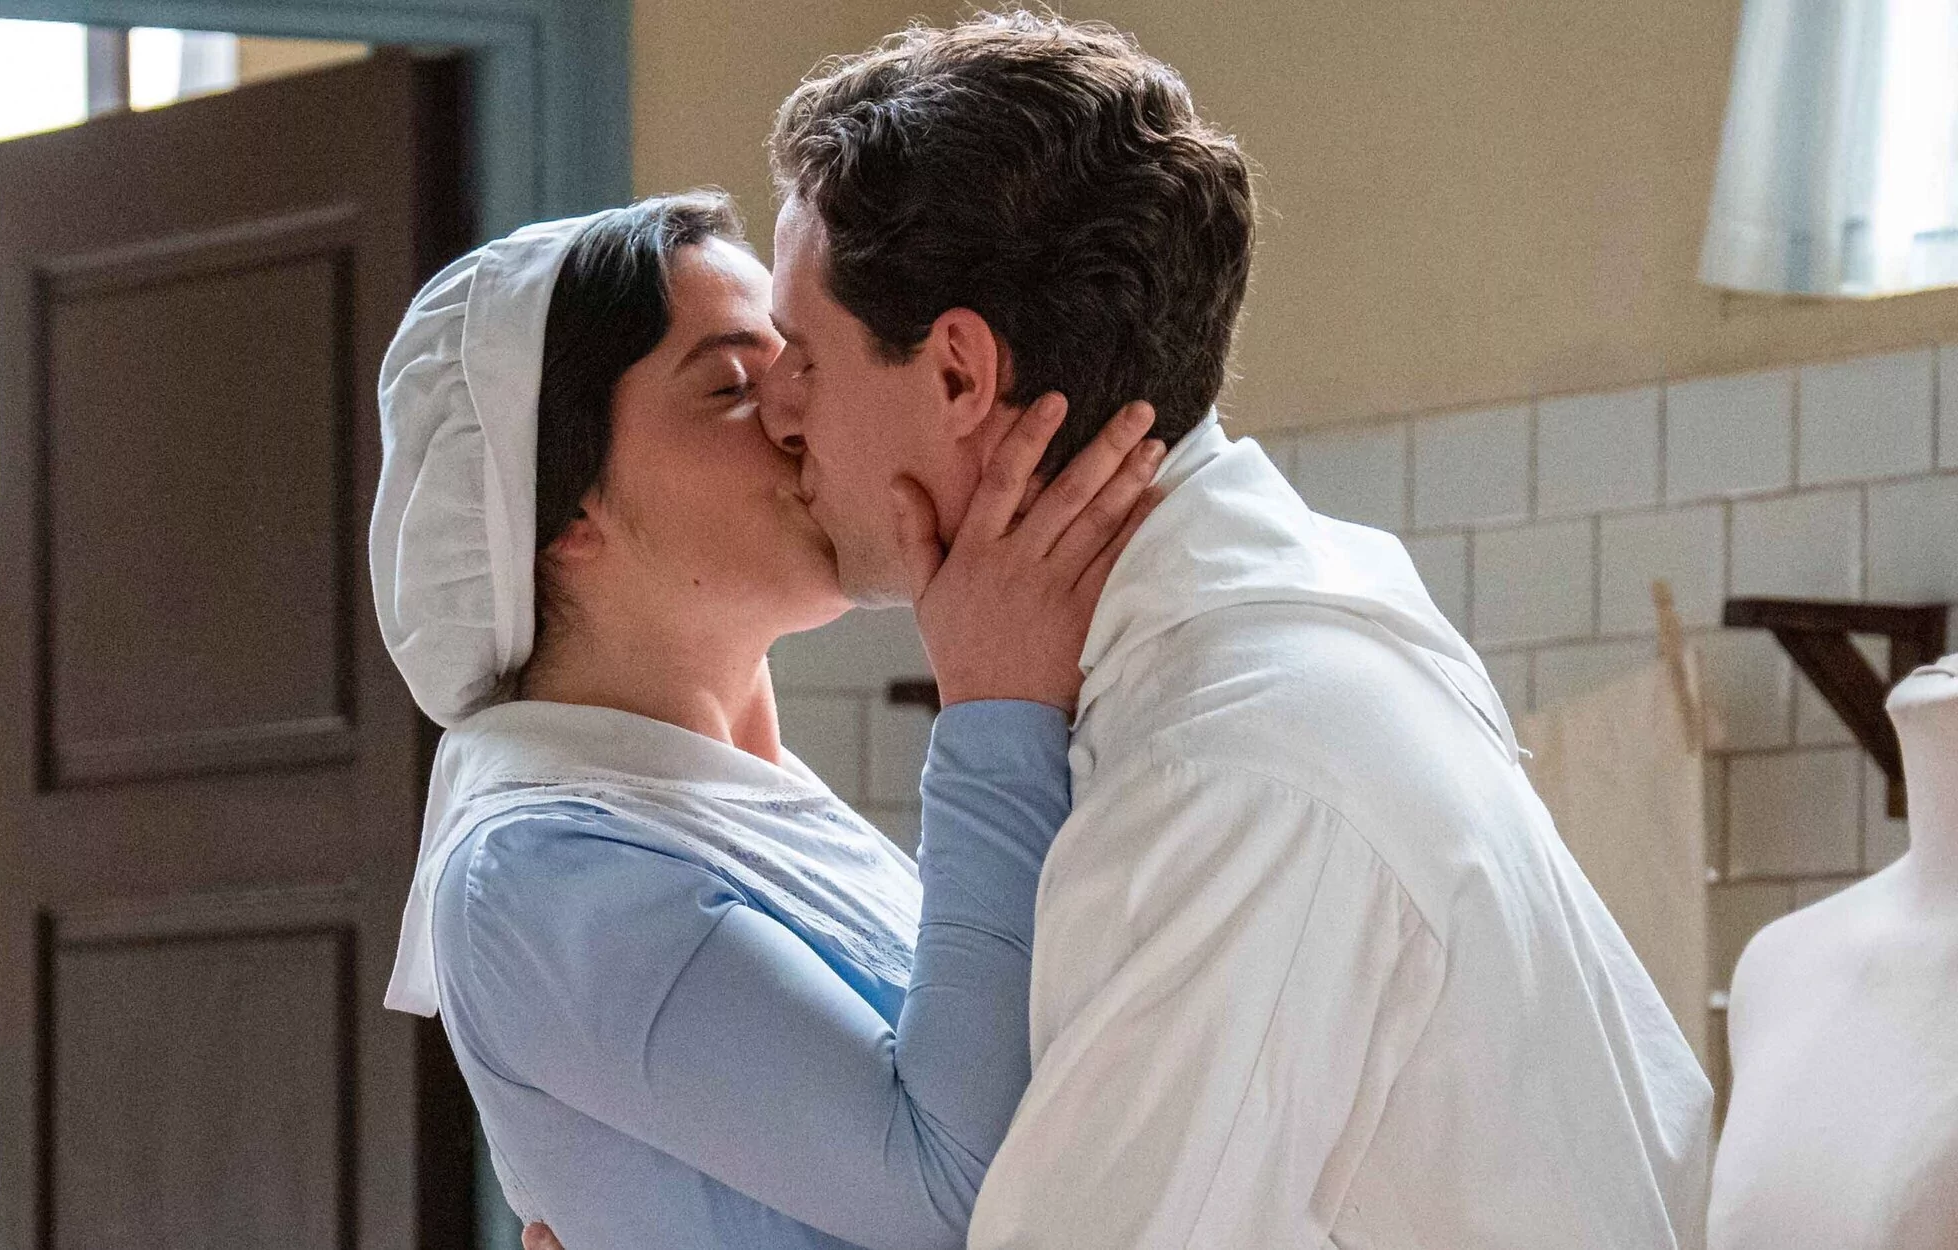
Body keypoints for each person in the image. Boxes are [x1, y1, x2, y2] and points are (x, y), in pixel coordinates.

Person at [754, 12, 1715, 1248]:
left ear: (957, 374)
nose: (775, 410)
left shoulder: (1227, 774)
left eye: (801, 353)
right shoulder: (1276, 645)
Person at [369, 191, 1163, 1249]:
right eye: (734, 388)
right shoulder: (537, 875)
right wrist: (993, 705)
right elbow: (973, 1192)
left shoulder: (748, 807)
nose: (798, 416)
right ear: (560, 510)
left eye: (801, 366)